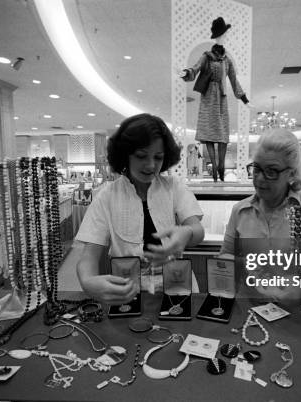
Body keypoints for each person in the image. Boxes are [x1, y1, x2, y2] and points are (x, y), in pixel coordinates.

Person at [75, 114, 205, 304]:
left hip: (177, 287)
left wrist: (186, 233)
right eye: (141, 156)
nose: (151, 165)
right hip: (126, 294)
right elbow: (89, 256)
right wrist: (87, 282)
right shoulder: (107, 196)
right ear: (125, 154)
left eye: (158, 157)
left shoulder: (173, 187)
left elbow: (197, 230)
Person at [219, 128, 301, 301]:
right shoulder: (240, 210)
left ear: (291, 173)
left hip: (296, 315)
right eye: (256, 169)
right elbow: (225, 256)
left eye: (271, 171)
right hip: (248, 310)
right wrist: (243, 264)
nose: (259, 178)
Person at [179, 17, 250, 182]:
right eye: (224, 34)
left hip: (222, 98)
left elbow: (234, 81)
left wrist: (244, 99)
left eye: (226, 35)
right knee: (209, 134)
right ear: (219, 36)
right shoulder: (207, 56)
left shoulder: (227, 60)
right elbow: (195, 69)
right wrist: (186, 73)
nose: (225, 37)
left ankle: (221, 167)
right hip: (208, 98)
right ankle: (216, 174)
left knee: (223, 136)